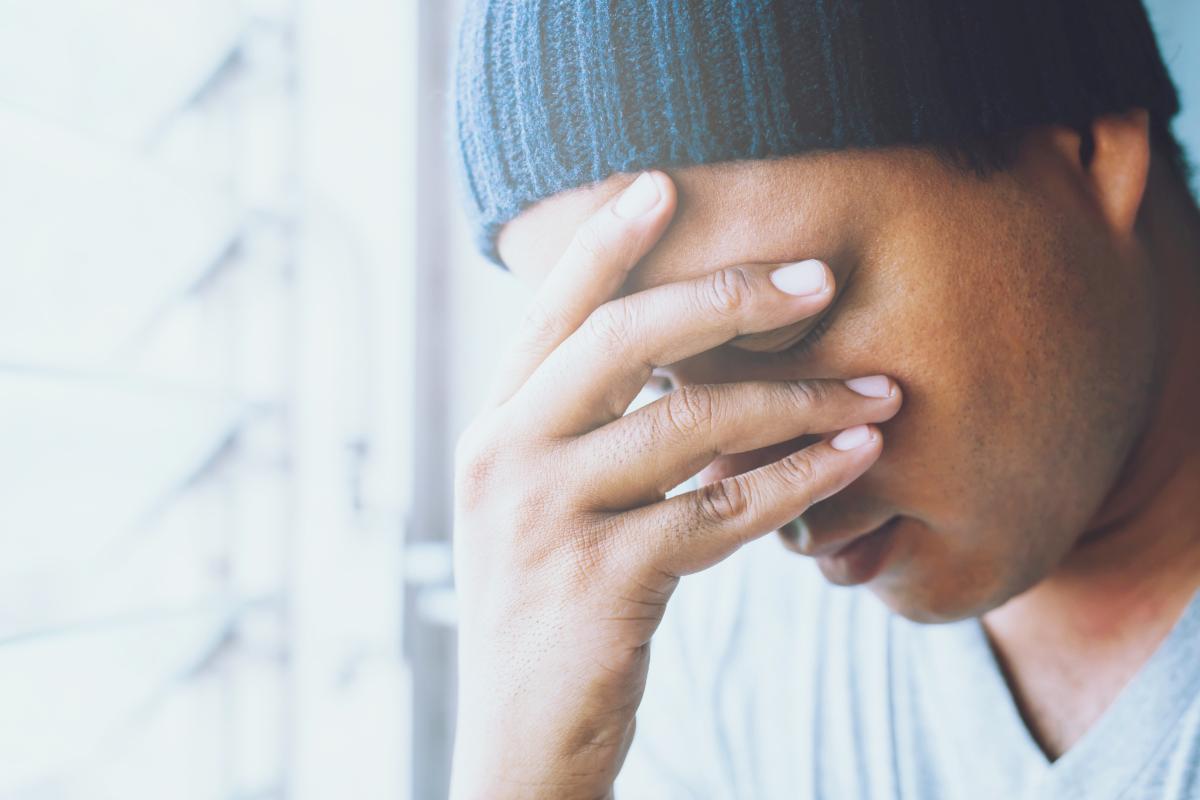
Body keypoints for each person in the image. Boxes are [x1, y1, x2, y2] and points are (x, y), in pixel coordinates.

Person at [449, 1, 1200, 797]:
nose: (734, 491)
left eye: (785, 333)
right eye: (658, 383)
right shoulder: (706, 653)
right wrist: (524, 768)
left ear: (1086, 151)